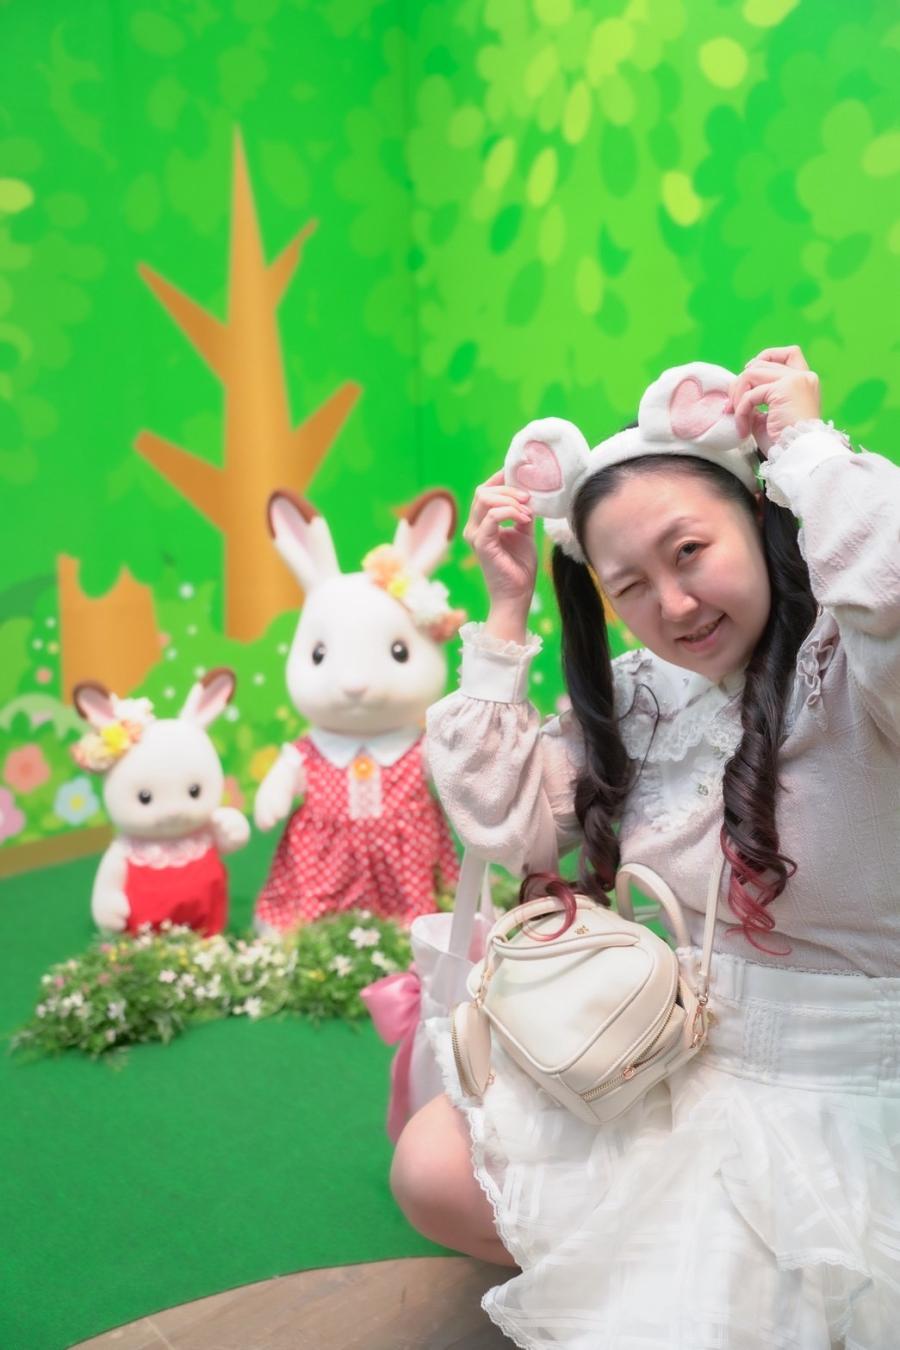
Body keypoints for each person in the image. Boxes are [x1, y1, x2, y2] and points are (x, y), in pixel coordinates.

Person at [390, 347, 900, 1349]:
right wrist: (504, 613)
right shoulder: (640, 697)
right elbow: (507, 827)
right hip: (669, 1059)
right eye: (629, 585)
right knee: (433, 1169)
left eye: (691, 551)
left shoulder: (855, 668)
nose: (674, 606)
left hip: (848, 1090)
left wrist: (804, 447)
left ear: (761, 518)